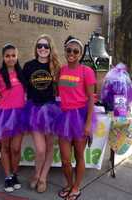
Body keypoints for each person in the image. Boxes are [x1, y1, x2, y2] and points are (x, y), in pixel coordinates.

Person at [53, 36, 96, 200]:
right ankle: (69, 184)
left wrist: (88, 124)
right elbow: (58, 92)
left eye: (75, 51)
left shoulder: (87, 71)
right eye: (69, 50)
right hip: (64, 117)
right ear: (65, 51)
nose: (72, 53)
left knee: (79, 156)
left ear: (80, 54)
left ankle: (76, 188)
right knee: (65, 159)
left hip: (80, 117)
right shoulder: (61, 70)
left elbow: (91, 98)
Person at [23, 34, 61, 193]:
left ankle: (42, 178)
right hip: (34, 110)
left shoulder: (56, 67)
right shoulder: (28, 66)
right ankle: (36, 174)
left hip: (51, 111)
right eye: (40, 46)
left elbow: (64, 88)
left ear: (50, 48)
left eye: (46, 46)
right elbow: (22, 89)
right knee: (40, 149)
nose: (43, 49)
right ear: (36, 48)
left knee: (49, 147)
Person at [0, 43, 26, 193]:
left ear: (17, 57)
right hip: (4, 116)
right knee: (5, 147)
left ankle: (15, 173)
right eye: (7, 56)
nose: (10, 58)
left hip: (19, 115)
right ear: (3, 58)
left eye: (13, 55)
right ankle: (8, 176)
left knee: (16, 148)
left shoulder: (22, 74)